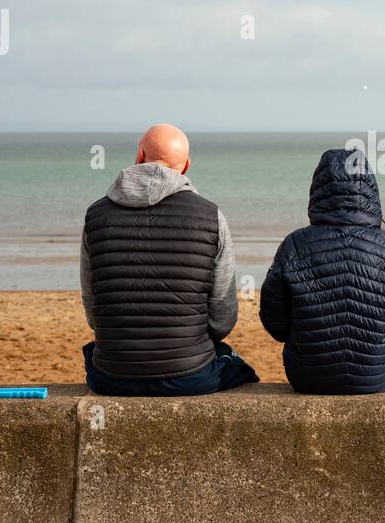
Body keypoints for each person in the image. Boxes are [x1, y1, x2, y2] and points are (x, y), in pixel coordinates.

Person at [80, 124, 257, 395]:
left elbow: (93, 309)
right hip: (190, 375)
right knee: (237, 366)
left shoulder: (95, 216)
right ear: (186, 166)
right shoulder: (211, 216)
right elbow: (223, 316)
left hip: (112, 376)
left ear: (139, 156)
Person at [259, 148, 385, 393]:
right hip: (372, 378)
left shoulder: (294, 245)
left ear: (318, 189)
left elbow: (274, 321)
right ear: (371, 190)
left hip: (307, 378)